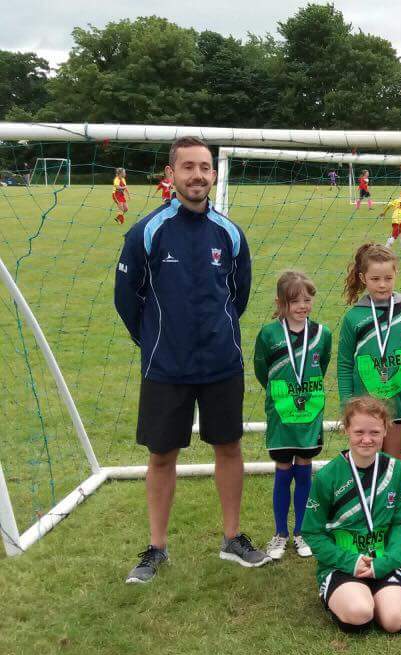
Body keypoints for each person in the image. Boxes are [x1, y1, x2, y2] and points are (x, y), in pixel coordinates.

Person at [115, 136, 268, 584]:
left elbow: (236, 296)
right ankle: (157, 547)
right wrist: (156, 341)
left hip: (222, 363)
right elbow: (128, 300)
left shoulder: (230, 232)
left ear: (213, 174)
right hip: (166, 367)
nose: (197, 175)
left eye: (205, 167)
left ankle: (233, 538)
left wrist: (215, 334)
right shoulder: (148, 230)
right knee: (162, 455)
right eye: (188, 167)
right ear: (172, 174)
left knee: (229, 447)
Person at [301, 397, 401, 634]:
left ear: (386, 430)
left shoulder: (397, 471)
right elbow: (312, 531)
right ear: (346, 431)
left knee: (394, 620)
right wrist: (349, 562)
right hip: (342, 562)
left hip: (384, 559)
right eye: (359, 432)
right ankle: (343, 595)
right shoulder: (328, 476)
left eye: (374, 432)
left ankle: (386, 595)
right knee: (360, 612)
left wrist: (386, 562)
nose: (366, 439)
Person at [253, 270, 332, 560]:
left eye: (307, 299)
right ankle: (280, 534)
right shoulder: (269, 334)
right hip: (281, 415)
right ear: (280, 302)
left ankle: (301, 532)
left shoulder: (323, 334)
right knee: (283, 470)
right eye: (294, 301)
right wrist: (283, 395)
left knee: (305, 468)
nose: (302, 306)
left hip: (309, 414)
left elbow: (320, 366)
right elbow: (263, 370)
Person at [338, 243, 401, 460]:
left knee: (394, 463)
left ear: (396, 273)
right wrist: (346, 404)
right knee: (367, 464)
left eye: (388, 278)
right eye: (375, 279)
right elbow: (344, 364)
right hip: (364, 407)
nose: (382, 285)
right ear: (363, 278)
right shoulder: (354, 317)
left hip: (400, 403)